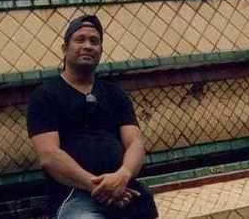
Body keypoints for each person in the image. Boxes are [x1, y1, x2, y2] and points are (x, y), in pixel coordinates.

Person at [27, 15, 156, 219]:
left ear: (101, 51)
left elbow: (135, 142)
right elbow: (49, 155)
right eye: (80, 39)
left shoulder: (115, 94)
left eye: (94, 41)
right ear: (64, 48)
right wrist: (99, 186)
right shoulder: (45, 96)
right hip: (75, 196)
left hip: (124, 190)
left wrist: (123, 175)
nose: (88, 46)